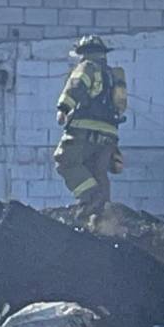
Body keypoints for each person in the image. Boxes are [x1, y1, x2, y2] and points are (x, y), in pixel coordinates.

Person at [53, 34, 128, 209]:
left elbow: (76, 86)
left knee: (65, 160)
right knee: (97, 171)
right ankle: (102, 213)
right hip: (109, 135)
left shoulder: (87, 67)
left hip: (85, 129)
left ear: (84, 53)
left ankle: (92, 198)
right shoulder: (111, 76)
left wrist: (63, 109)